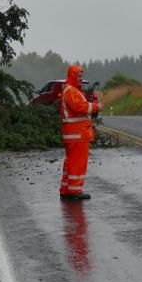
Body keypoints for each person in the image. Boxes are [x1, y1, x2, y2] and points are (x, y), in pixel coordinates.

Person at [59, 65, 102, 200]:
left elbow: (79, 106)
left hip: (75, 134)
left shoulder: (71, 90)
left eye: (81, 76)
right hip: (77, 134)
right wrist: (96, 107)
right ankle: (75, 190)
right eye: (78, 76)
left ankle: (67, 189)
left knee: (71, 162)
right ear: (72, 76)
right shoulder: (70, 90)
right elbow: (79, 107)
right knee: (78, 163)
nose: (80, 79)